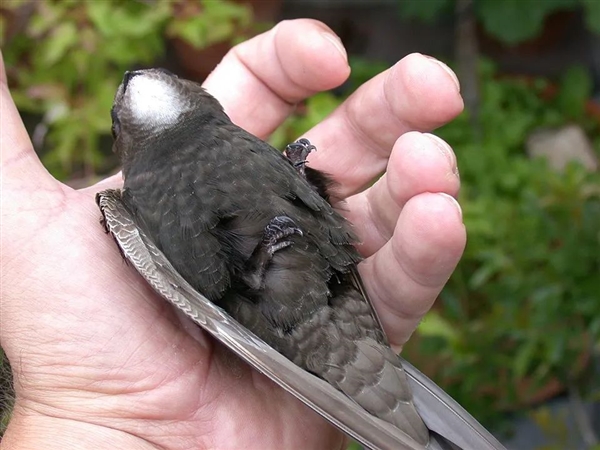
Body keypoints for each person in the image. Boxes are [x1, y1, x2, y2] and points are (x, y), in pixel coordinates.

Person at [1, 19, 465, 449]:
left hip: (326, 294)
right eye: (119, 121)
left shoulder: (217, 137)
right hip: (284, 319)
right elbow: (206, 295)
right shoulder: (129, 206)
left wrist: (297, 184)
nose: (132, 82)